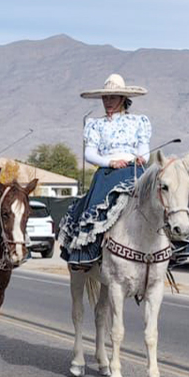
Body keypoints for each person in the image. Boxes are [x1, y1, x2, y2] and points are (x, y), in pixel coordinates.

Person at [59, 74, 151, 268]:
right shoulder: (96, 124)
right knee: (95, 208)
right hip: (107, 174)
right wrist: (110, 162)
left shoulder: (139, 122)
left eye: (113, 97)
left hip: (135, 171)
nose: (108, 102)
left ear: (123, 99)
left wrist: (142, 157)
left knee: (160, 201)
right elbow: (90, 154)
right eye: (105, 98)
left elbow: (144, 149)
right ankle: (87, 253)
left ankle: (170, 247)